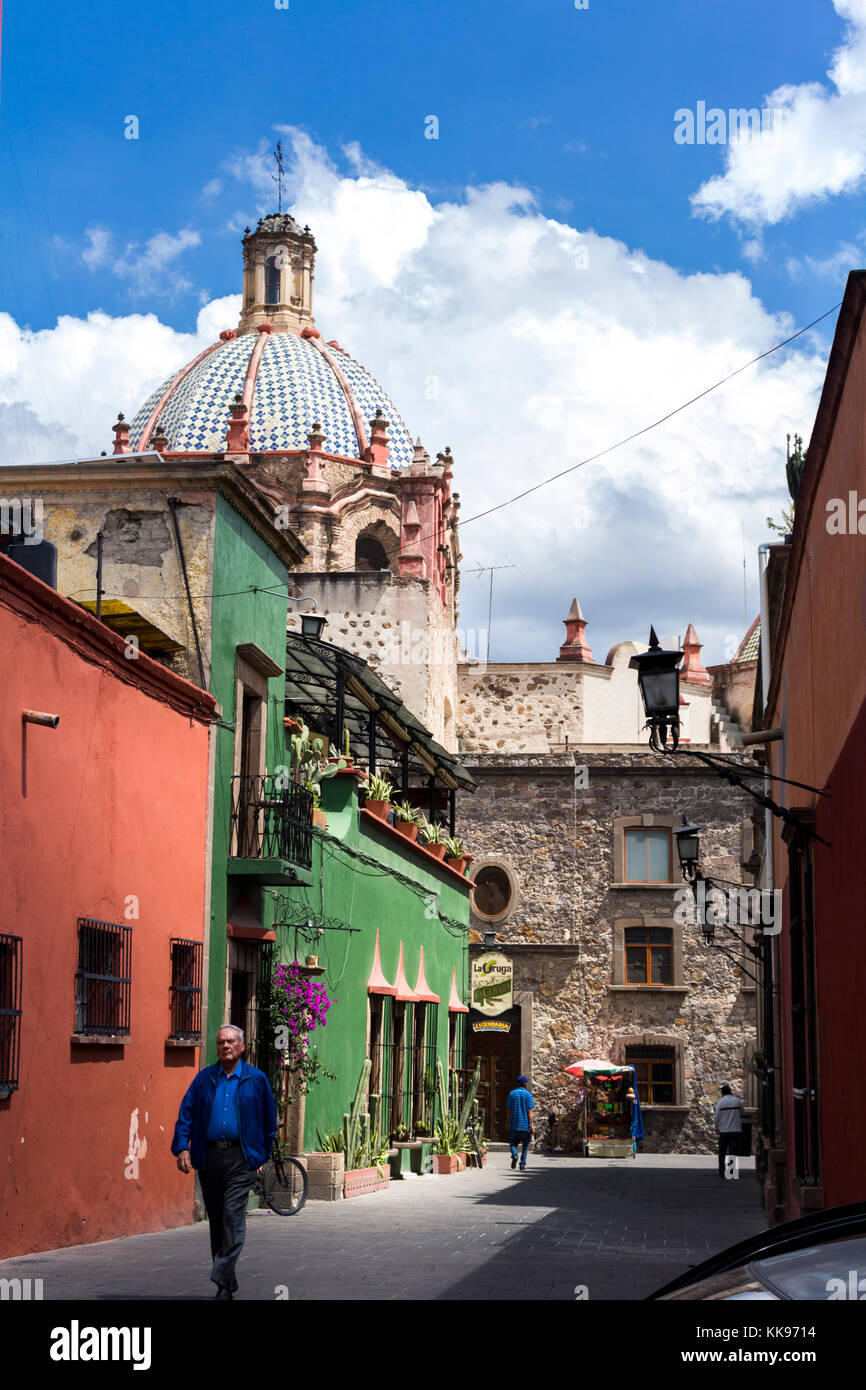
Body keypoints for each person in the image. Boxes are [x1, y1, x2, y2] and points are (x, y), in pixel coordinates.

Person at [172, 1024, 277, 1299]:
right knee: (217, 1221)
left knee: (232, 1216)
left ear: (242, 1046)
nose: (226, 1046)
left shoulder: (256, 1079)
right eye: (221, 1042)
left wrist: (261, 1155)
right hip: (210, 1158)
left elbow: (269, 1121)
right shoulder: (204, 1079)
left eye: (231, 1042)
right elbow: (187, 1113)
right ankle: (225, 1285)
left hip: (241, 1159)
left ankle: (219, 1272)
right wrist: (183, 1147)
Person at [505, 1074, 535, 1170]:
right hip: (525, 1125)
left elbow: (508, 1110)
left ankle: (514, 1155)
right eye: (526, 1082)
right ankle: (522, 1164)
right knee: (525, 1146)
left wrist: (507, 1122)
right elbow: (530, 1111)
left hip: (514, 1124)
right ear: (524, 1083)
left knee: (513, 1143)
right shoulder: (528, 1094)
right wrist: (532, 1124)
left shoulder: (512, 1094)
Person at [714, 1083, 743, 1178]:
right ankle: (731, 1172)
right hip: (735, 1130)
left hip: (724, 1131)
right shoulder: (737, 1101)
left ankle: (721, 1172)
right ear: (731, 1092)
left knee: (722, 1152)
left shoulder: (720, 1103)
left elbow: (717, 1117)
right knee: (732, 1152)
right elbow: (742, 1112)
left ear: (722, 1093)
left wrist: (716, 1127)